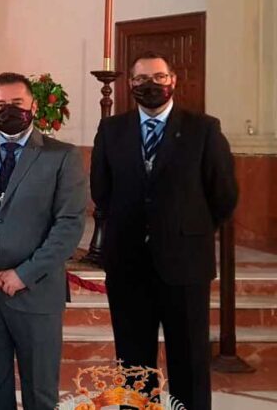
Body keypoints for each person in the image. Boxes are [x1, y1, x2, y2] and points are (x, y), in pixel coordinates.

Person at [92, 52, 237, 410]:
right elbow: (101, 190)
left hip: (185, 264)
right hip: (128, 264)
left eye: (158, 77)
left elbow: (224, 194)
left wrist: (187, 229)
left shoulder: (203, 129)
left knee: (189, 360)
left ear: (173, 81)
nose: (150, 85)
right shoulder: (112, 130)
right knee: (133, 363)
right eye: (141, 79)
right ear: (130, 85)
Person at [0, 72, 87, 410]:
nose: (8, 110)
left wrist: (24, 273)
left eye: (17, 103)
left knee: (40, 391)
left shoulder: (61, 156)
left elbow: (68, 226)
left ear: (33, 106)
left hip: (36, 293)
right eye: (0, 105)